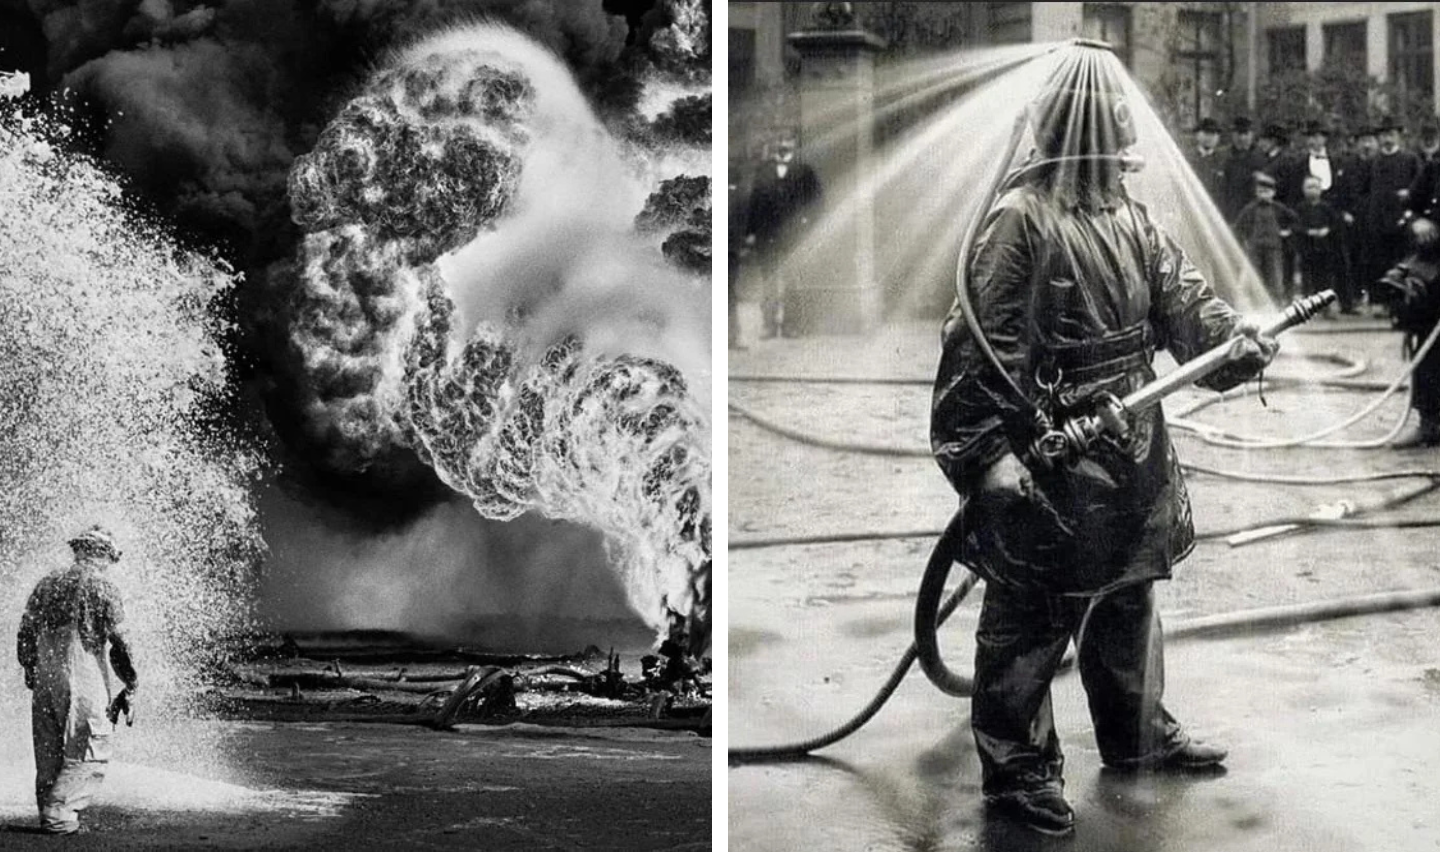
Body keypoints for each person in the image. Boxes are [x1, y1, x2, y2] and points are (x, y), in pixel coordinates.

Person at [930, 44, 1277, 837]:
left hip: (1131, 445)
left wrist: (1234, 340)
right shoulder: (1018, 222)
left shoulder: (1130, 216)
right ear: (1066, 137)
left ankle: (1137, 736)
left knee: (1127, 596)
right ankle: (1017, 769)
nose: (1117, 161)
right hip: (1049, 447)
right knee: (1030, 610)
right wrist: (986, 457)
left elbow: (1184, 304)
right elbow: (976, 351)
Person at [16, 526, 139, 835]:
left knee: (49, 748)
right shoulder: (101, 586)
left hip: (46, 674)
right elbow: (120, 641)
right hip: (82, 675)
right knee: (89, 746)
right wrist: (131, 683)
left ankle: (49, 809)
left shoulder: (47, 584)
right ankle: (58, 815)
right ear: (103, 555)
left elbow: (25, 633)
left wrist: (31, 669)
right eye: (110, 558)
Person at [743, 134, 823, 339]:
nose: (782, 145)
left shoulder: (804, 170)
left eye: (787, 142)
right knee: (768, 282)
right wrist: (750, 233)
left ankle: (790, 325)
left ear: (794, 145)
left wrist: (806, 223)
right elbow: (754, 203)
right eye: (779, 141)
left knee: (792, 282)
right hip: (766, 236)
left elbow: (817, 201)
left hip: (793, 236)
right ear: (774, 144)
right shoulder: (764, 170)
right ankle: (769, 326)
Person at [1363, 117, 1423, 311]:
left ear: (1398, 136)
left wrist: (1409, 193)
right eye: (1383, 135)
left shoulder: (1410, 159)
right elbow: (1363, 190)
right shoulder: (1372, 162)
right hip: (1378, 220)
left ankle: (1399, 304)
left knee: (1400, 261)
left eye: (1391, 134)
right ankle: (1379, 302)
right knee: (1377, 261)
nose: (1387, 139)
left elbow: (1421, 186)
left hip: (1402, 219)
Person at [1233, 171, 1299, 301]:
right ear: (1256, 193)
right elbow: (1238, 227)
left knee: (1275, 276)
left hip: (1274, 248)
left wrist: (1287, 231)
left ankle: (1276, 302)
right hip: (1254, 248)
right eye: (1260, 191)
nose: (1264, 194)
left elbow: (1295, 221)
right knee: (1253, 275)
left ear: (1273, 193)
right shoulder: (1250, 209)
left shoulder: (1279, 208)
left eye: (1267, 191)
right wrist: (1244, 241)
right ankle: (1253, 302)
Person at [1295, 174, 1344, 302]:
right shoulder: (1300, 208)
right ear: (1303, 189)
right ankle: (1307, 304)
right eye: (1309, 187)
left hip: (1324, 247)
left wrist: (1327, 230)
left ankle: (1325, 305)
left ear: (1321, 189)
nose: (1312, 190)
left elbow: (1336, 224)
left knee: (1325, 277)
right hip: (1307, 247)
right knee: (1307, 278)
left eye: (1315, 187)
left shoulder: (1326, 207)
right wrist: (1307, 231)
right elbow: (1296, 225)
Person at [1220, 116, 1263, 221]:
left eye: (1246, 134)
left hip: (1254, 211)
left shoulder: (1261, 156)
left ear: (1252, 135)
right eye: (1238, 134)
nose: (1242, 138)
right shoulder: (1223, 155)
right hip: (1229, 209)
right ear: (1232, 135)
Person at [1186, 116, 1226, 204]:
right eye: (1206, 133)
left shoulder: (1224, 160)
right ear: (1197, 135)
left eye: (1214, 134)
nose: (1210, 138)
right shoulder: (1187, 159)